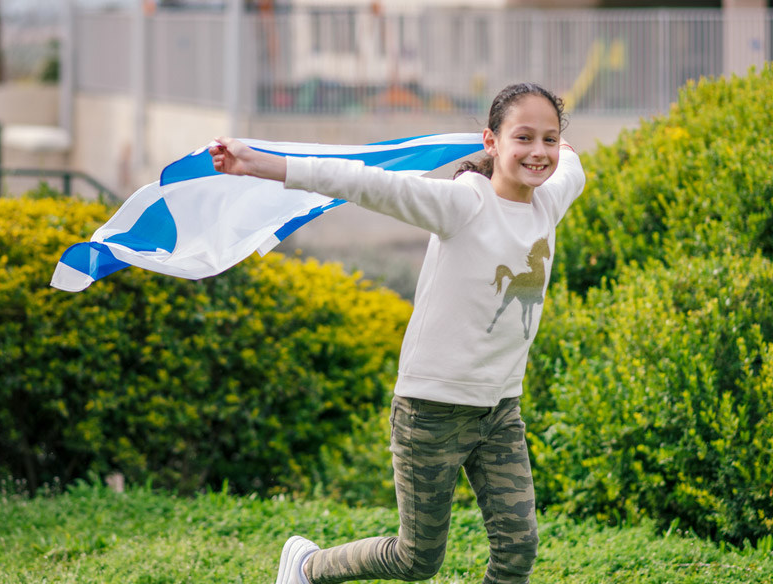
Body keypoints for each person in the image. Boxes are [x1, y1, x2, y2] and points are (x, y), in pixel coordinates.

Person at [209, 82, 586, 584]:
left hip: (500, 411)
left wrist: (565, 150)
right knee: (417, 560)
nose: (539, 152)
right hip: (430, 411)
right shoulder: (459, 205)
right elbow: (366, 183)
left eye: (549, 139)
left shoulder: (549, 201)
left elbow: (574, 167)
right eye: (523, 138)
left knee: (519, 547)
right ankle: (306, 566)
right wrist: (263, 162)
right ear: (490, 143)